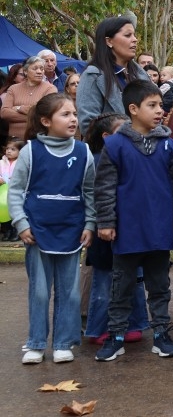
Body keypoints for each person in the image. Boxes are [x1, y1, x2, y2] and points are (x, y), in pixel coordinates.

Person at [93, 80, 173, 361]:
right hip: (127, 230)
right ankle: (116, 335)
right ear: (133, 109)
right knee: (121, 285)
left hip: (158, 228)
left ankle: (161, 333)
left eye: (161, 105)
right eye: (153, 105)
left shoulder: (167, 146)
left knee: (159, 285)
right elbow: (104, 188)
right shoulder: (115, 145)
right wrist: (106, 222)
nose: (160, 110)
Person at [8, 93, 95, 364]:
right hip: (37, 232)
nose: (73, 119)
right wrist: (21, 224)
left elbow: (89, 191)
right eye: (65, 114)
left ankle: (63, 342)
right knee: (40, 290)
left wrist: (90, 223)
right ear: (46, 121)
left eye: (74, 114)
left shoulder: (84, 152)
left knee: (69, 291)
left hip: (71, 231)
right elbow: (16, 191)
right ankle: (35, 343)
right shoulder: (30, 151)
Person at [82, 113, 149, 346]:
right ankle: (100, 327)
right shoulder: (99, 158)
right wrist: (104, 223)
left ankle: (135, 323)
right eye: (123, 129)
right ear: (107, 136)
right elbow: (98, 196)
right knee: (105, 282)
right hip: (106, 232)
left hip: (131, 229)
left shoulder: (135, 155)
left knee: (134, 278)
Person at [76, 16, 150, 136]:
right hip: (109, 152)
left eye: (134, 35)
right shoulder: (93, 76)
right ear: (109, 41)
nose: (135, 39)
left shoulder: (141, 75)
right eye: (128, 35)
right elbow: (88, 126)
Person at [1, 56, 57, 139]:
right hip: (15, 141)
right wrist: (33, 114)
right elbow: (4, 113)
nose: (39, 72)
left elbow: (44, 114)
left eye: (41, 69)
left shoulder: (50, 88)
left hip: (39, 139)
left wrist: (18, 108)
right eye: (35, 69)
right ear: (25, 71)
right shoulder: (13, 88)